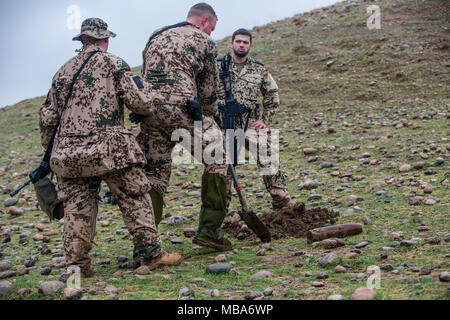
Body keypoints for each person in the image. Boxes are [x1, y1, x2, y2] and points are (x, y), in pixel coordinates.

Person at [39, 18, 181, 277]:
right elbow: (139, 102)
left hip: (69, 154)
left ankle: (77, 266)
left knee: (78, 208)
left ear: (82, 40)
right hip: (109, 149)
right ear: (105, 39)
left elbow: (47, 117)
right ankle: (151, 254)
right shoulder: (114, 63)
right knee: (134, 196)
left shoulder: (62, 72)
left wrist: (50, 153)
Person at [134, 3, 232, 251]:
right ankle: (210, 230)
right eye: (212, 27)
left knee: (153, 174)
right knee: (218, 160)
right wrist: (210, 118)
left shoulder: (156, 35)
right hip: (184, 110)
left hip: (150, 111)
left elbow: (145, 75)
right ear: (205, 21)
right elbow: (209, 89)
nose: (211, 32)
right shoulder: (204, 41)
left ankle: (147, 244)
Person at [218, 28, 294, 212]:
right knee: (221, 165)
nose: (241, 45)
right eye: (238, 41)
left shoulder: (258, 69)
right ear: (232, 43)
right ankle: (219, 210)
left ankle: (281, 201)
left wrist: (265, 120)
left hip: (249, 121)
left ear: (250, 46)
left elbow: (272, 94)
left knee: (268, 156)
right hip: (222, 123)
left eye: (245, 42)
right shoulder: (218, 66)